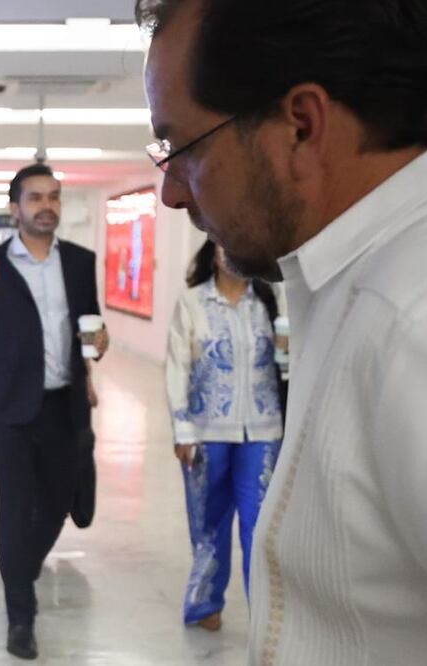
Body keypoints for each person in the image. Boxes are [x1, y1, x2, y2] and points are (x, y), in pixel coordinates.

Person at [138, 0, 427, 663]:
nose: (172, 195)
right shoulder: (340, 278)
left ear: (300, 124)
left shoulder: (416, 318)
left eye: (182, 147)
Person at [0, 164, 108, 660]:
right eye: (35, 197)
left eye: (54, 196)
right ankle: (21, 617)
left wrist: (97, 347)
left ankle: (19, 568)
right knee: (15, 506)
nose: (46, 205)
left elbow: (88, 333)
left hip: (64, 404)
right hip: (9, 407)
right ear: (16, 208)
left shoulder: (79, 261)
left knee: (57, 501)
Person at [166, 240, 284, 632]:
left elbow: (285, 363)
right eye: (224, 244)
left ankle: (266, 614)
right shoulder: (193, 303)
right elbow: (177, 368)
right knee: (208, 523)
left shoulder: (268, 302)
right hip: (205, 433)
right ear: (212, 255)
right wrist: (182, 428)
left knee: (261, 526)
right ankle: (205, 604)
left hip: (263, 431)